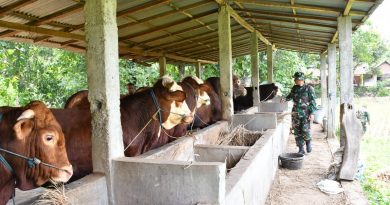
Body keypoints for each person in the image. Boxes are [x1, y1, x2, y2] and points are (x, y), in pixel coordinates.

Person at [281, 71, 317, 155]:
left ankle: (308, 142)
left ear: (301, 79)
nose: (295, 80)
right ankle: (301, 149)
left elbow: (313, 102)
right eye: (295, 79)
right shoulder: (294, 88)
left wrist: (312, 113)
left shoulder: (309, 88)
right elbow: (290, 96)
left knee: (305, 130)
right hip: (295, 113)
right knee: (297, 131)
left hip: (305, 113)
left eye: (296, 79)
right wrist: (285, 99)